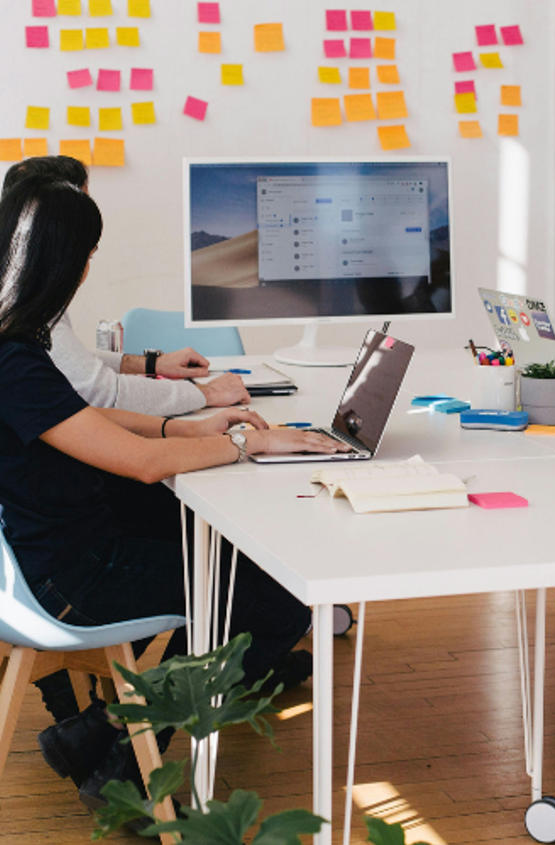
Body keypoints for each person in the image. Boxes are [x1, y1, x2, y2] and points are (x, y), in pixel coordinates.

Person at [0, 177, 350, 810]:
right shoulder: (16, 358)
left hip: (50, 555)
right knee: (273, 600)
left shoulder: (16, 345)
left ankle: (98, 737)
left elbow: (88, 422)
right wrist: (254, 445)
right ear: (67, 263)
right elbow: (139, 463)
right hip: (70, 578)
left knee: (229, 565)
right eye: (87, 256)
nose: (86, 272)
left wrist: (185, 426)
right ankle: (121, 768)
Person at [2, 155, 248, 415]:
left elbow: (72, 364)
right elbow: (104, 394)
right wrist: (206, 394)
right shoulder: (21, 313)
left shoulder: (24, 293)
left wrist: (152, 364)